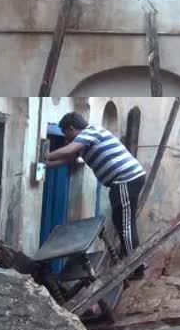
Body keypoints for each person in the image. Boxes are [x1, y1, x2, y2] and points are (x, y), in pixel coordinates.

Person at [47, 112, 146, 279]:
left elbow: (69, 150)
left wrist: (44, 153)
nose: (66, 138)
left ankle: (137, 267)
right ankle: (137, 263)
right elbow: (68, 159)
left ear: (72, 128)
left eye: (66, 133)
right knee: (122, 223)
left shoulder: (91, 131)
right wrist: (45, 163)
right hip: (124, 181)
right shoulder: (85, 142)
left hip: (125, 179)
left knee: (126, 226)